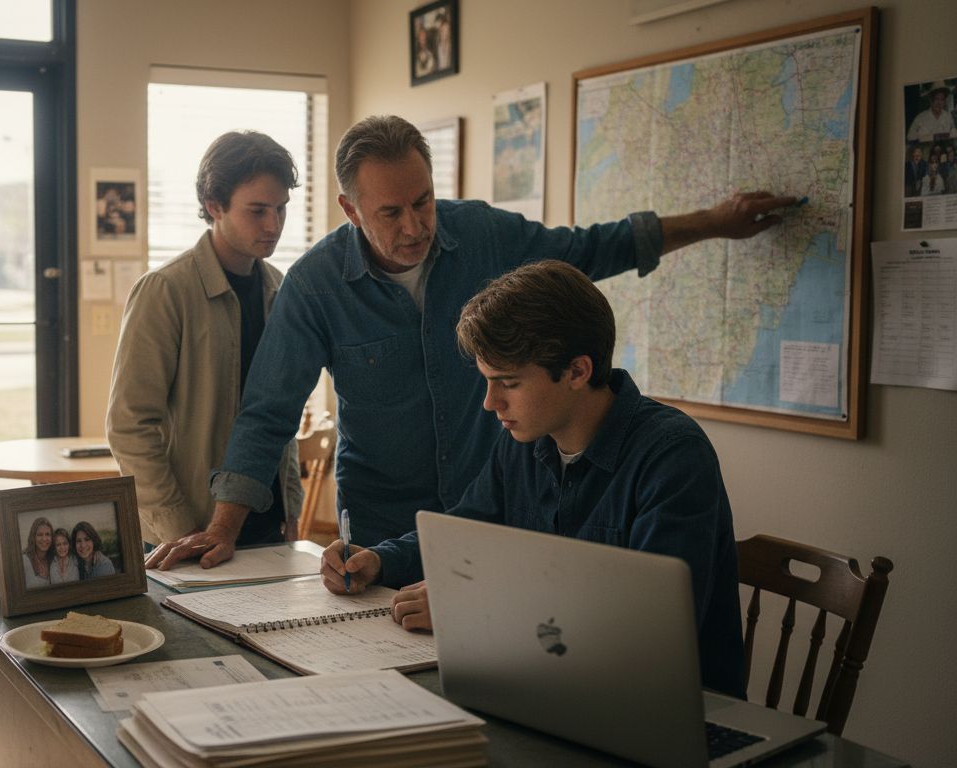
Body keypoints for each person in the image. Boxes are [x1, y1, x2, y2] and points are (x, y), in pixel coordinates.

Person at [147, 114, 795, 571]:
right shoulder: (316, 284)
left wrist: (713, 224)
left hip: (496, 509)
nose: (416, 225)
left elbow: (590, 247)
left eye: (424, 202)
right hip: (385, 527)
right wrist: (223, 528)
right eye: (390, 213)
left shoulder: (483, 235)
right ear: (350, 211)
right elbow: (269, 410)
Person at [320, 260, 744, 697]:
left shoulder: (673, 456)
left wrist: (477, 607)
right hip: (547, 685)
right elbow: (464, 532)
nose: (490, 403)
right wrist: (380, 560)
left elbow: (652, 626)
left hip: (668, 706)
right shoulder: (524, 439)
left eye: (508, 382)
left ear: (578, 371)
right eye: (487, 381)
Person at [109, 131, 303, 551]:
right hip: (185, 534)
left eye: (281, 209)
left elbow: (279, 414)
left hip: (266, 531)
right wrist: (179, 527)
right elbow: (129, 426)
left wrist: (292, 509)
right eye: (257, 211)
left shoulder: (278, 288)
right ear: (214, 206)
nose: (274, 225)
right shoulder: (165, 290)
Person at [21, 517, 54, 589]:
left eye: (47, 534)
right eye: (40, 535)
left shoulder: (53, 559)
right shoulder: (24, 560)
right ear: (33, 537)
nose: (44, 539)